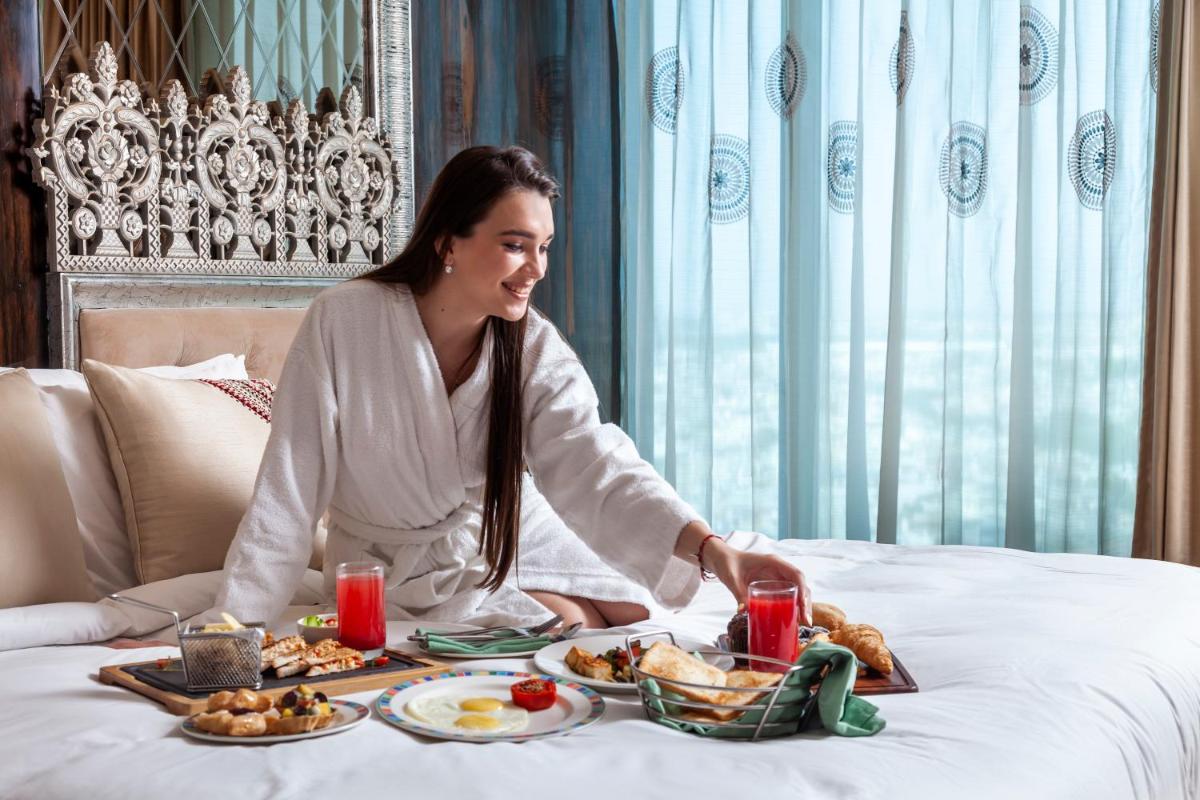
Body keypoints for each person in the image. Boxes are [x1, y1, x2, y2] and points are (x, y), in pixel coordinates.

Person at [209, 145, 810, 631]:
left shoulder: (532, 346)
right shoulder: (346, 320)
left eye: (544, 247)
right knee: (567, 623)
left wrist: (714, 551)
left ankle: (546, 590)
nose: (537, 268)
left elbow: (594, 461)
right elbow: (289, 486)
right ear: (448, 241)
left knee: (631, 608)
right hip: (388, 562)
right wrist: (235, 626)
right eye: (515, 245)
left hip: (500, 528)